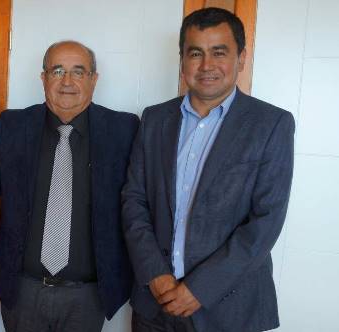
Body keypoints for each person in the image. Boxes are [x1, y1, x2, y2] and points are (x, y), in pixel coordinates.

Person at [122, 7, 295, 332]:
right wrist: (154, 274)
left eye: (220, 52)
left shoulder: (271, 124)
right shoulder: (155, 119)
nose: (206, 66)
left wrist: (200, 288)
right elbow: (134, 200)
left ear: (241, 58)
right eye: (195, 53)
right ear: (182, 60)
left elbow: (265, 222)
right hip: (154, 306)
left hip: (229, 311)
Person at [0, 40, 139, 332]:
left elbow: (137, 205)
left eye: (79, 71)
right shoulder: (12, 125)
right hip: (22, 291)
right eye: (57, 70)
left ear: (94, 79)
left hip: (88, 297)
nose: (67, 81)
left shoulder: (123, 130)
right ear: (43, 78)